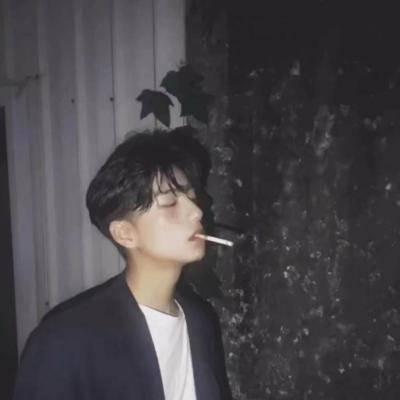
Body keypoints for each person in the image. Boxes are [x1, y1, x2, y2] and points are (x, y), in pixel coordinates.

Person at [13, 127, 232, 400]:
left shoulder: (201, 320)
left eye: (191, 196)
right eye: (169, 203)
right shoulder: (64, 339)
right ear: (125, 234)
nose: (196, 211)